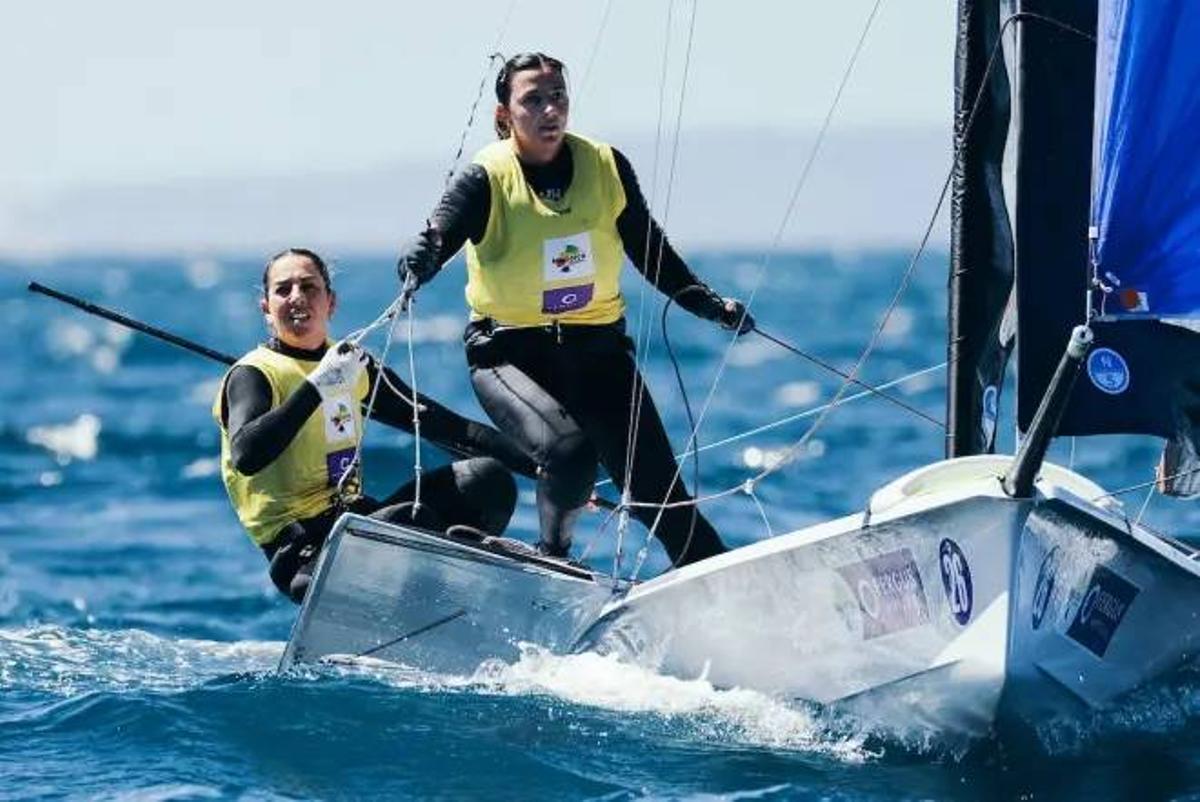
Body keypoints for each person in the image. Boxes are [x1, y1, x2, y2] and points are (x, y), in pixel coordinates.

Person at [396, 52, 754, 567]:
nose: (550, 109)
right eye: (533, 100)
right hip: (508, 357)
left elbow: (649, 249)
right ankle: (554, 557)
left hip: (598, 354)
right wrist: (419, 260)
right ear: (505, 115)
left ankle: (736, 594)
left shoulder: (606, 166)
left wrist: (708, 304)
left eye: (558, 96)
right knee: (569, 454)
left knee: (665, 501)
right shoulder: (486, 178)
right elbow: (436, 241)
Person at [214, 247, 536, 602]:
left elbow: (448, 428)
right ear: (266, 308)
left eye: (308, 287)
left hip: (360, 520)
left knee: (488, 480)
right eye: (283, 289)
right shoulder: (254, 374)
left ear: (330, 302)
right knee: (407, 523)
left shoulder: (351, 365)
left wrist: (547, 468)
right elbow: (247, 455)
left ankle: (474, 583)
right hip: (303, 555)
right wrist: (317, 386)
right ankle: (450, 586)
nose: (296, 297)